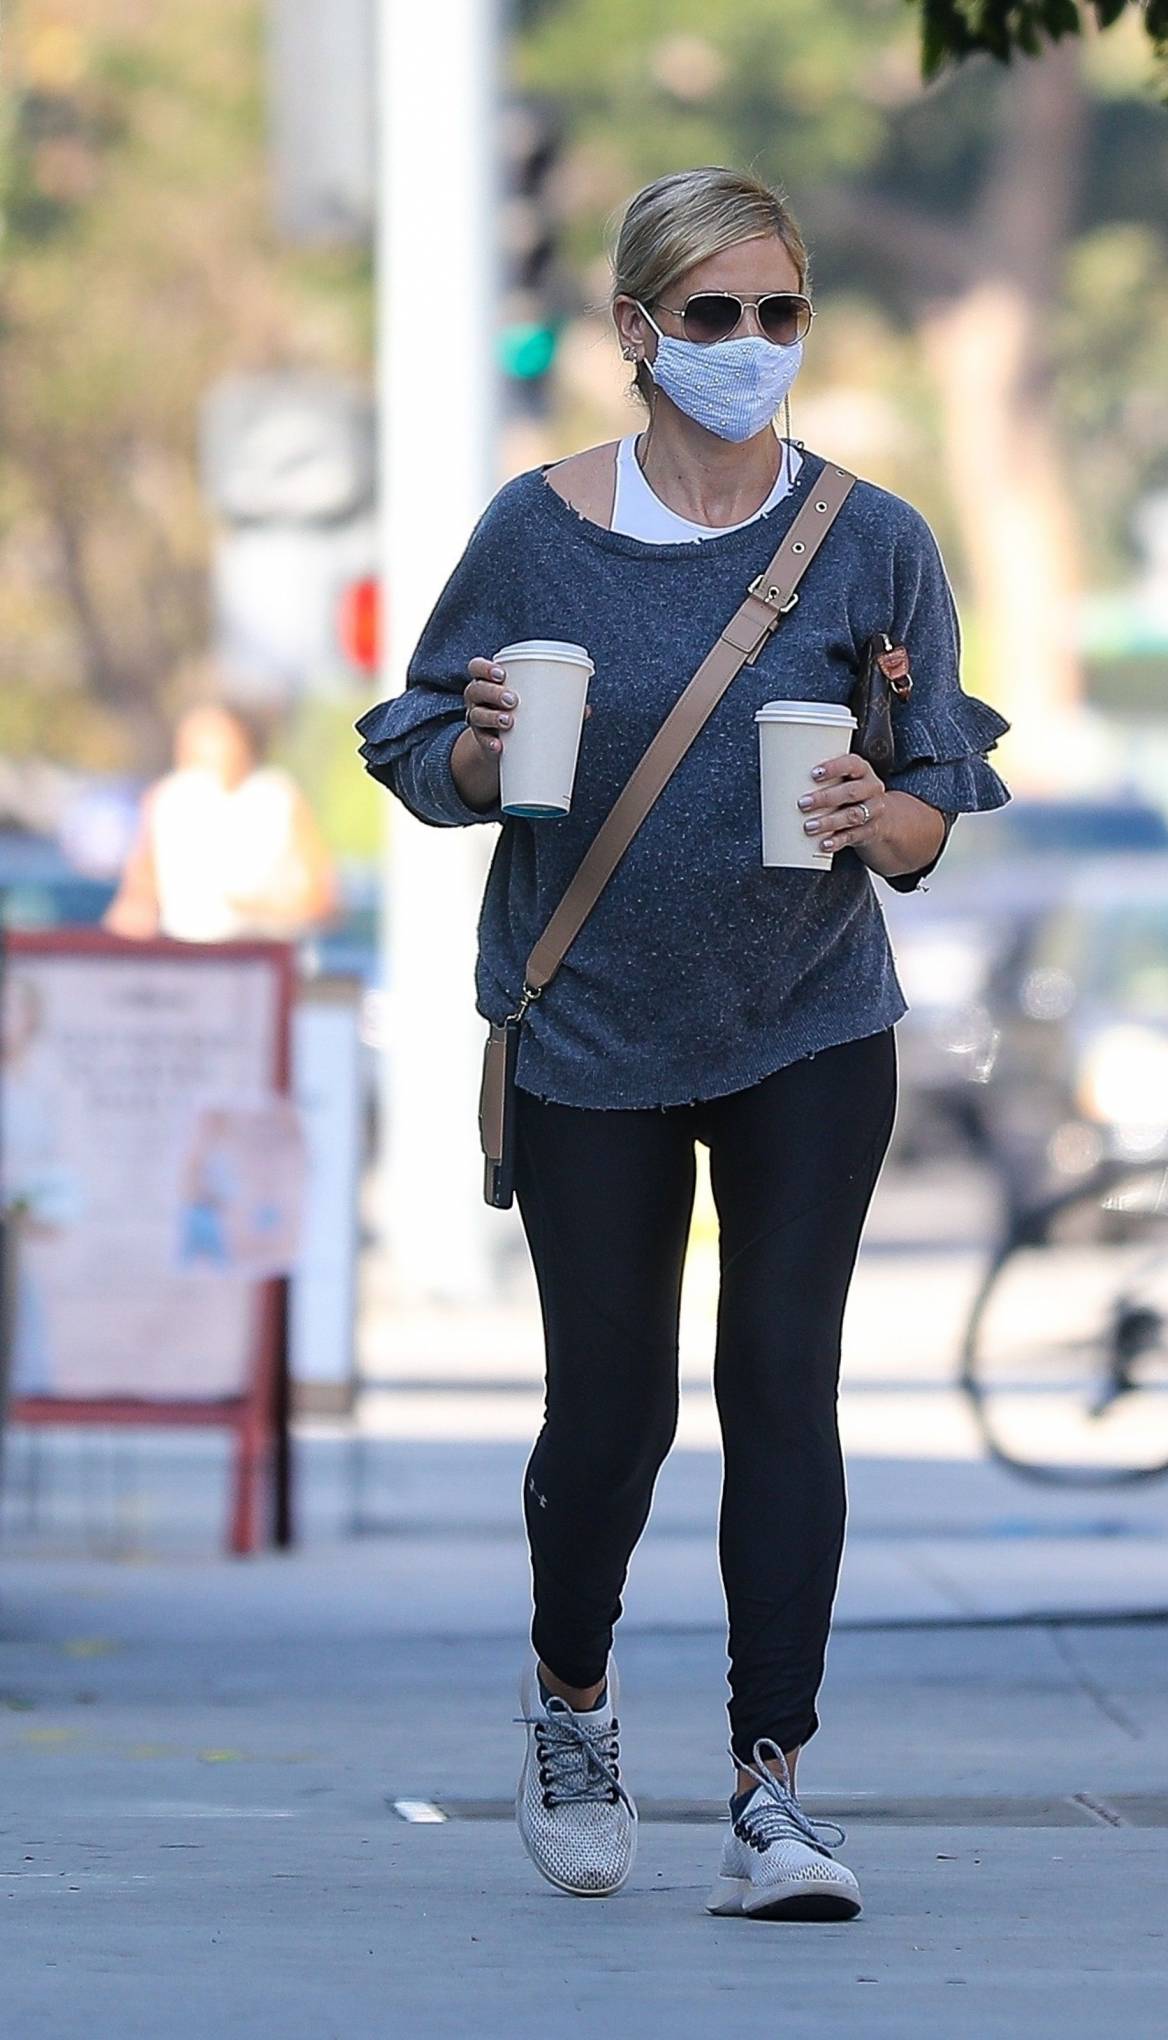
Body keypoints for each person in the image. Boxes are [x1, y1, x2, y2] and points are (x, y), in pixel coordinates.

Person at [357, 167, 1011, 1921]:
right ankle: (573, 1691)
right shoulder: (534, 530)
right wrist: (486, 756)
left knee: (785, 1383)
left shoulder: (873, 537)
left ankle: (770, 1790)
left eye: (780, 313)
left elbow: (944, 786)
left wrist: (888, 816)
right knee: (617, 1413)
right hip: (592, 1024)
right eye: (710, 316)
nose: (748, 347)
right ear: (636, 334)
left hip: (808, 1019)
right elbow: (418, 751)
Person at [104, 700, 337, 944]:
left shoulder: (279, 797)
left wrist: (253, 908)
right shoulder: (167, 800)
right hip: (186, 954)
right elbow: (140, 887)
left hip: (261, 955)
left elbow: (320, 898)